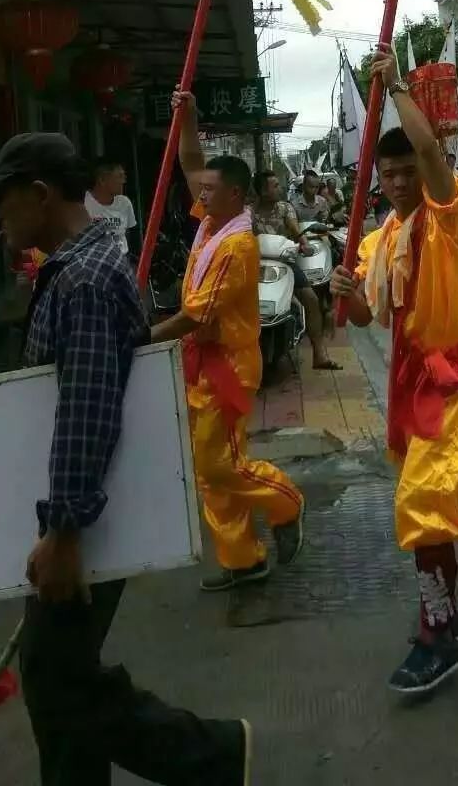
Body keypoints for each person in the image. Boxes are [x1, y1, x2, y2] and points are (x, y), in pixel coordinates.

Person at [0, 132, 252, 784]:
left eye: (2, 204)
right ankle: (212, 758)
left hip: (81, 518)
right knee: (59, 676)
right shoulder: (77, 267)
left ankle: (214, 757)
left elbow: (87, 408)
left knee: (56, 676)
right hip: (76, 510)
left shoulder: (84, 279)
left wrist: (64, 530)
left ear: (39, 194)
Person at [330, 45, 458, 694]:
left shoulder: (449, 217)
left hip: (450, 376)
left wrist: (396, 85)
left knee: (424, 500)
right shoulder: (379, 239)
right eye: (391, 176)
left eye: (408, 172)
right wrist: (347, 294)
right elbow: (361, 321)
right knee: (453, 492)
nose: (401, 184)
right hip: (407, 381)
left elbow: (435, 157)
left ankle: (437, 631)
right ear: (378, 180)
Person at [151, 109, 305, 592]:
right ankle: (242, 558)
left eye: (210, 190)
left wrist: (143, 336)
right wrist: (187, 117)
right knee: (209, 468)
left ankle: (286, 501)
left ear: (235, 195)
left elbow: (197, 317)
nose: (200, 193)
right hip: (203, 363)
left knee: (223, 463)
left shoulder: (237, 244)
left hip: (229, 367)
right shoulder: (210, 223)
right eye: (202, 190)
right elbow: (191, 162)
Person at [252, 169, 340, 371]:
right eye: (275, 186)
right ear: (263, 192)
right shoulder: (249, 212)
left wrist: (303, 243)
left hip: (285, 262)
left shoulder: (284, 208)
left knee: (310, 298)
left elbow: (295, 229)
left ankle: (319, 353)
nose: (280, 188)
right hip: (255, 265)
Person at [85, 157, 138, 257]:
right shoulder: (84, 203)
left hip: (122, 261)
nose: (123, 181)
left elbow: (127, 234)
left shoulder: (124, 203)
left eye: (124, 177)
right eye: (119, 176)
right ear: (102, 180)